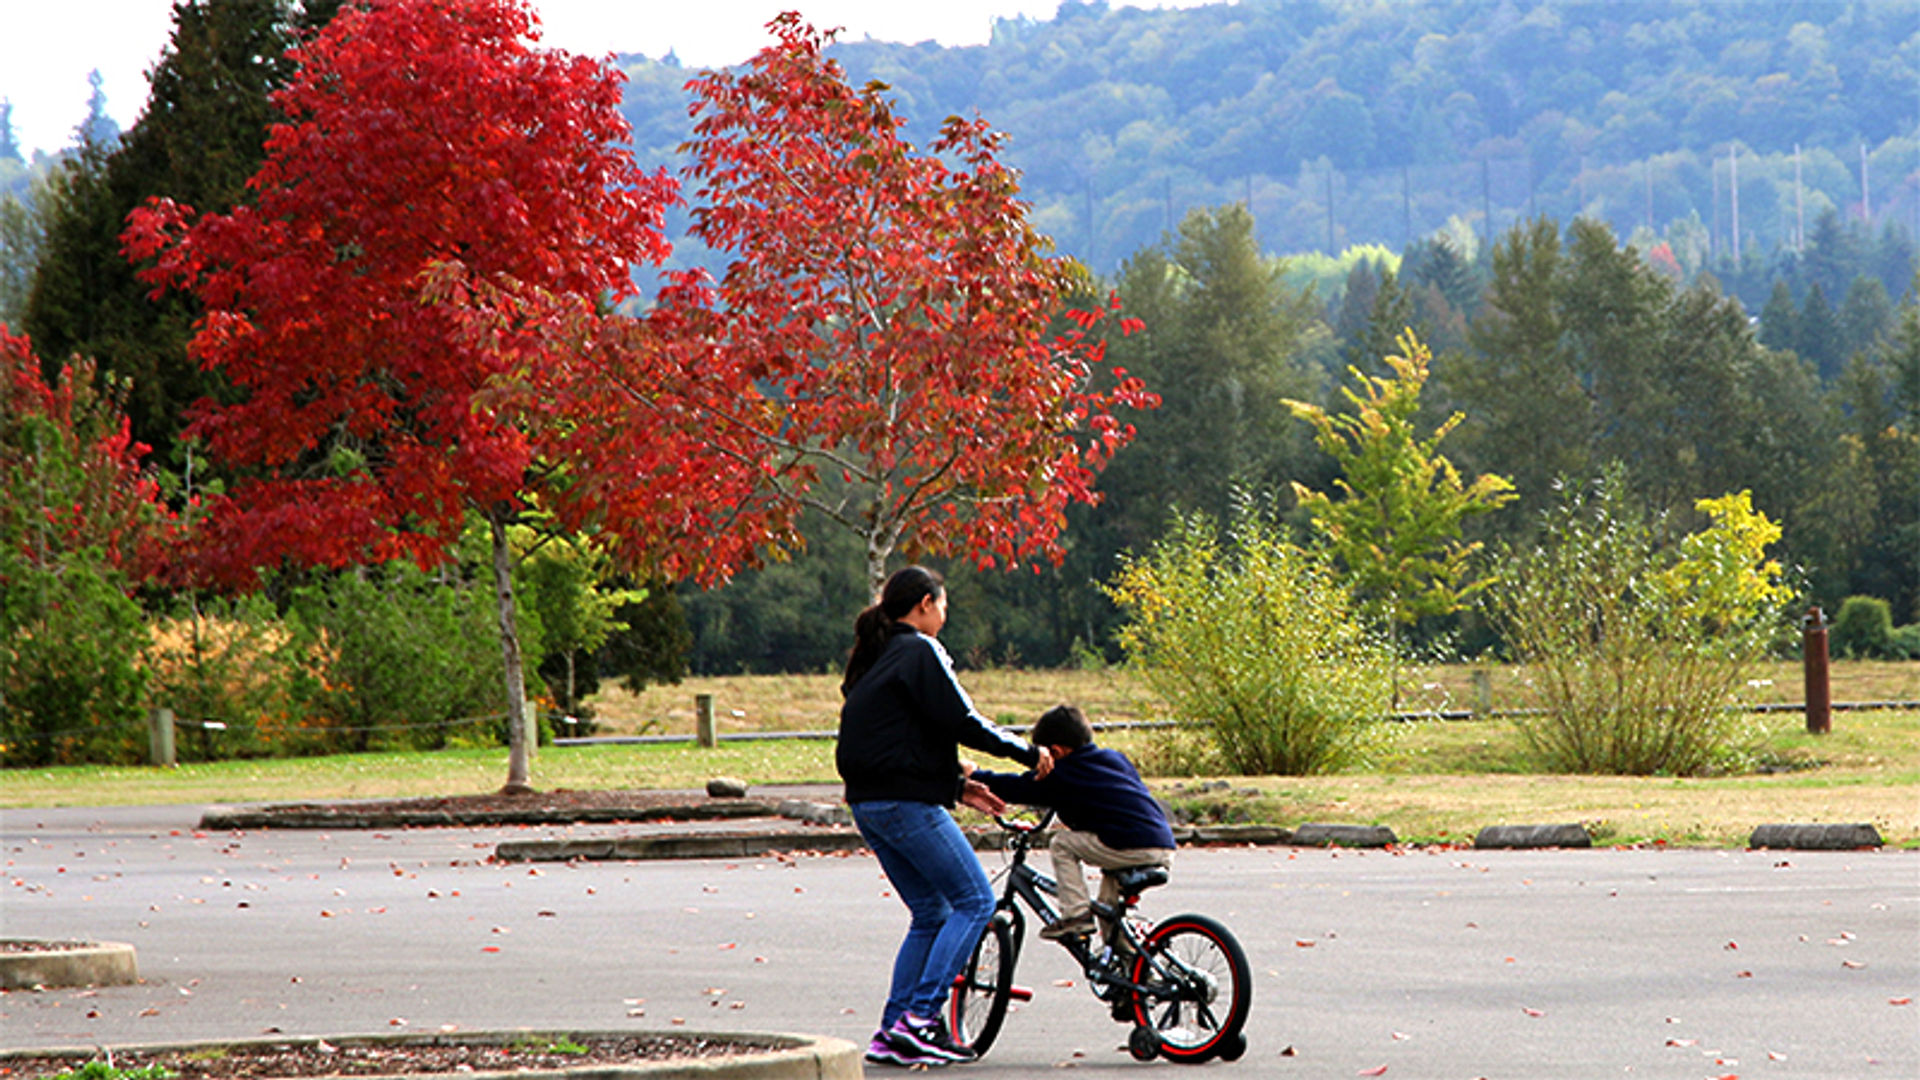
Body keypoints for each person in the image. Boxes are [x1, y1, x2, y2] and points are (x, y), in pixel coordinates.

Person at [837, 565, 1053, 1069]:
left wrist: (955, 786)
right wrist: (1028, 753)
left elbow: (897, 739)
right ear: (924, 606)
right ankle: (920, 1020)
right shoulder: (918, 649)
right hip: (902, 804)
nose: (944, 616)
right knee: (976, 901)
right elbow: (962, 722)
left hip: (869, 804)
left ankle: (892, 1031)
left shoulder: (879, 655)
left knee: (931, 913)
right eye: (943, 606)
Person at [967, 704, 1175, 947]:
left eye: (1044, 759)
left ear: (1056, 751)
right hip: (1161, 843)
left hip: (1131, 845)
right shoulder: (1114, 759)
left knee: (1062, 844)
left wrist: (976, 775)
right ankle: (1135, 976)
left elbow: (1019, 787)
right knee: (1109, 911)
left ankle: (1076, 916)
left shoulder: (1063, 773)